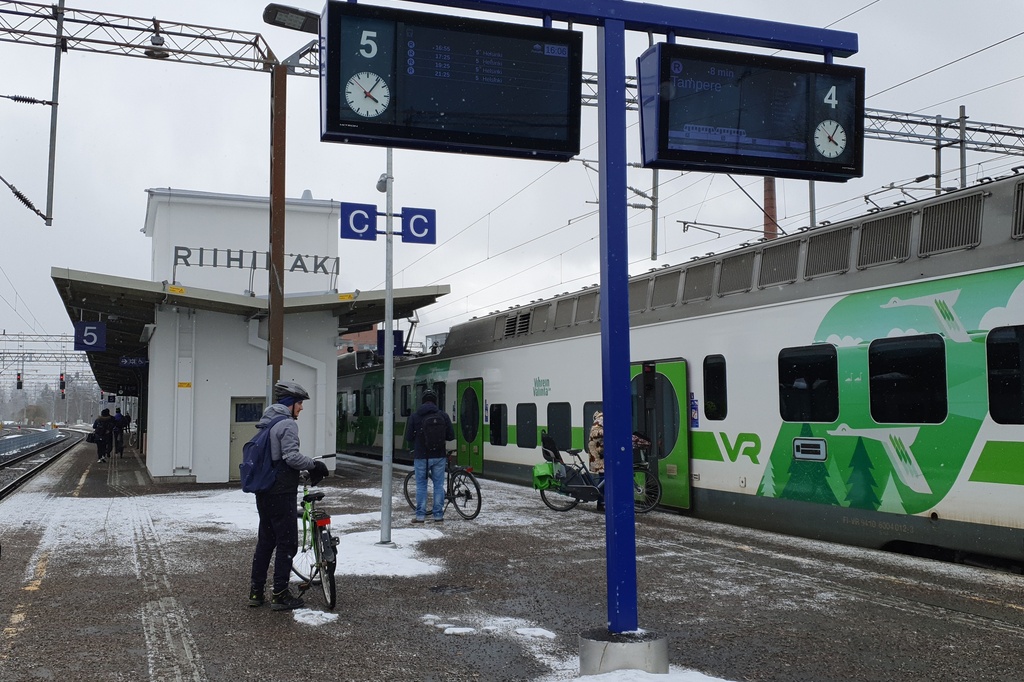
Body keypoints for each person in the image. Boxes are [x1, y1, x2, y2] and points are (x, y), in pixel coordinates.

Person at [248, 380, 330, 611]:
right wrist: (314, 465)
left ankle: (256, 591)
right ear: (290, 403)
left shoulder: (267, 423)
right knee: (287, 543)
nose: (302, 408)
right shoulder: (286, 424)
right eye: (300, 403)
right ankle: (280, 594)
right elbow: (291, 457)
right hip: (280, 492)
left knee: (266, 541)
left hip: (264, 490)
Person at [405, 390, 454, 523]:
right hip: (439, 455)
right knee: (438, 485)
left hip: (421, 456)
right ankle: (438, 515)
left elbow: (408, 437)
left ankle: (420, 516)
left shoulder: (415, 416)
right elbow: (451, 435)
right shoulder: (443, 415)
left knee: (421, 486)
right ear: (435, 401)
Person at [587, 411, 605, 511]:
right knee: (604, 476)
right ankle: (601, 502)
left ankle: (601, 501)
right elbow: (594, 433)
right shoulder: (601, 419)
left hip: (600, 451)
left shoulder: (602, 418)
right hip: (597, 453)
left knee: (603, 476)